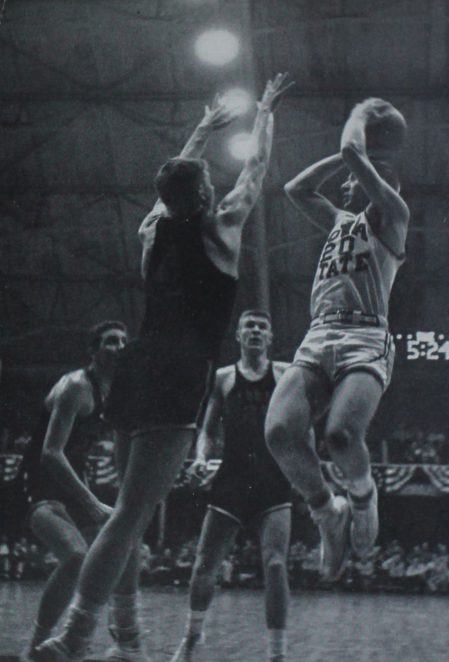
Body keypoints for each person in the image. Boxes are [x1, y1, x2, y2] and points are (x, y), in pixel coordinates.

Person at [34, 74, 291, 662]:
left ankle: (106, 641)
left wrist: (201, 129)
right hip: (178, 369)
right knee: (128, 517)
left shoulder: (152, 231)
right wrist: (268, 112)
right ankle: (73, 639)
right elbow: (255, 172)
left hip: (137, 366)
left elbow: (171, 182)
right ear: (203, 192)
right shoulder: (222, 227)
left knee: (127, 514)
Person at [264, 97, 409, 580]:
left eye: (364, 175)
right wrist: (345, 159)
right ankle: (328, 511)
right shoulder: (340, 222)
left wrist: (363, 116)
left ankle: (364, 498)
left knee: (341, 436)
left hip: (366, 334)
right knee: (280, 432)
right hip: (319, 331)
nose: (353, 181)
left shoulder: (394, 212)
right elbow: (294, 188)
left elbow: (352, 153)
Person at [170, 311, 300, 662]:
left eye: (262, 327)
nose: (256, 331)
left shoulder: (286, 374)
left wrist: (303, 462)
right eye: (249, 326)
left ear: (270, 337)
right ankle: (192, 637)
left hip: (273, 478)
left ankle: (277, 654)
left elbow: (305, 417)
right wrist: (200, 458)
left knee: (275, 565)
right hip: (233, 476)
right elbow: (208, 431)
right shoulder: (224, 378)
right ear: (239, 336)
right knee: (204, 565)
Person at [17, 322, 127, 656]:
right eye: (110, 342)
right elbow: (51, 453)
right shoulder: (76, 386)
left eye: (124, 341)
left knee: (116, 550)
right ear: (93, 351)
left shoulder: (117, 392)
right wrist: (92, 501)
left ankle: (112, 634)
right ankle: (35, 645)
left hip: (74, 481)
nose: (119, 347)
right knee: (77, 557)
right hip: (40, 481)